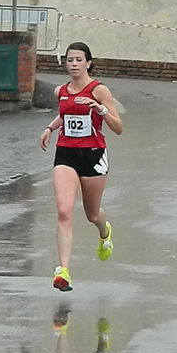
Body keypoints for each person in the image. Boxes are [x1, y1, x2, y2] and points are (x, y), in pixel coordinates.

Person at [39, 41, 123, 292]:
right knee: (64, 211)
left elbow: (118, 128)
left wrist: (101, 110)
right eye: (69, 60)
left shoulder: (99, 90)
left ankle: (104, 230)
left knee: (92, 214)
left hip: (93, 155)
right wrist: (50, 128)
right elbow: (66, 113)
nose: (73, 64)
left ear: (88, 63)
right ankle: (63, 270)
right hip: (66, 154)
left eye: (78, 60)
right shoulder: (61, 91)